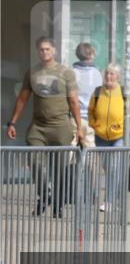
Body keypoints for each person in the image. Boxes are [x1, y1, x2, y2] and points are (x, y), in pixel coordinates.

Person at [6, 36, 87, 216]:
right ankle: (45, 194)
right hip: (38, 126)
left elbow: (74, 101)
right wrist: (12, 122)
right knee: (34, 160)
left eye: (48, 49)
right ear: (38, 51)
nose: (45, 52)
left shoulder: (66, 73)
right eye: (41, 49)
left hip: (60, 126)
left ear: (54, 50)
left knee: (58, 167)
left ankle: (57, 203)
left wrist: (79, 127)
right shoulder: (32, 72)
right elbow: (22, 99)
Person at [88, 63, 130, 211]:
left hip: (120, 136)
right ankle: (116, 199)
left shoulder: (125, 92)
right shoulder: (98, 92)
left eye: (112, 74)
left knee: (114, 167)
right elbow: (91, 110)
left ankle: (109, 201)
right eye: (107, 74)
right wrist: (94, 124)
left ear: (118, 77)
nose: (109, 77)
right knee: (108, 168)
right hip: (101, 136)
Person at [72, 42, 102, 148]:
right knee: (91, 156)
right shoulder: (97, 73)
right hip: (90, 119)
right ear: (91, 54)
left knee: (69, 153)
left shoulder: (72, 72)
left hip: (74, 118)